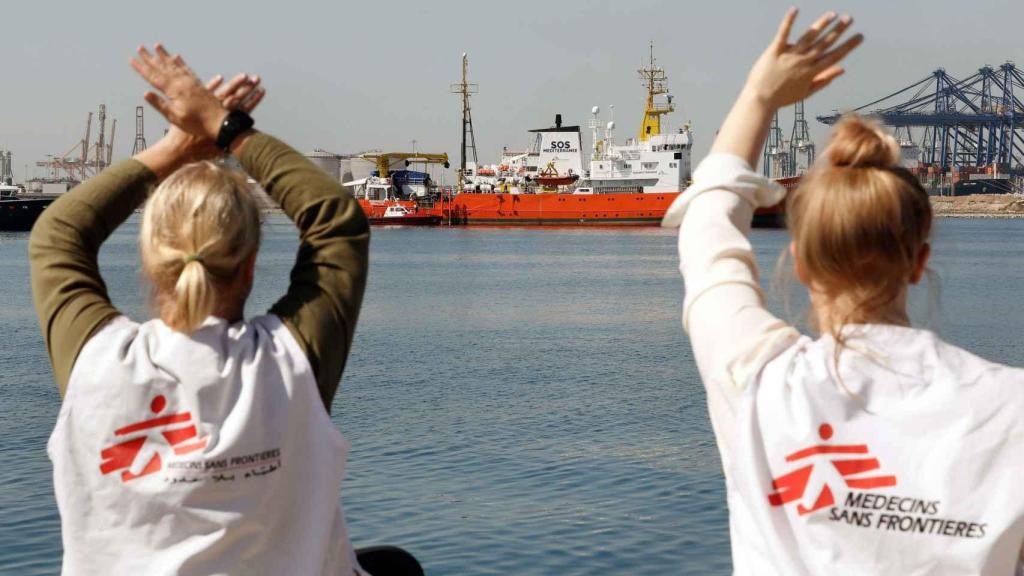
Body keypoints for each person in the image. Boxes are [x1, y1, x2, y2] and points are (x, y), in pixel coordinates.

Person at [30, 45, 422, 575]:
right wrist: (226, 127)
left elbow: (58, 235)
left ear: (150, 261)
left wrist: (176, 148)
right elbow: (338, 221)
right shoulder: (289, 366)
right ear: (250, 264)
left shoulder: (95, 364)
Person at [663, 9, 1024, 575]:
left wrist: (760, 95)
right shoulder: (1012, 408)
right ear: (918, 262)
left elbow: (708, 222)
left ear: (800, 263)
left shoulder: (758, 383)